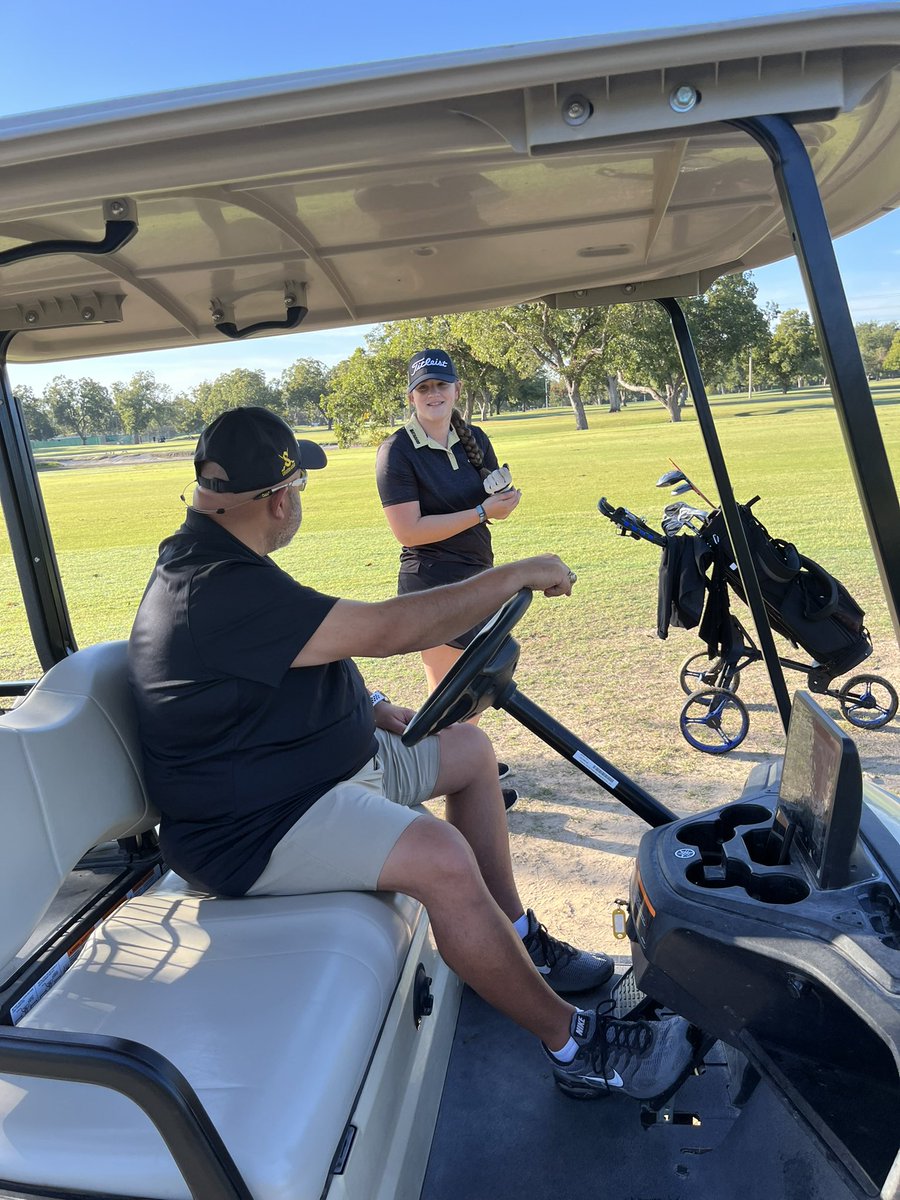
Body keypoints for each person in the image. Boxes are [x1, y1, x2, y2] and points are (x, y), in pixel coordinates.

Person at [128, 405, 699, 1101]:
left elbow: (289, 656)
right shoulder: (213, 587)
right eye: (298, 487)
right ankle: (578, 1046)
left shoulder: (213, 559)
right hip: (255, 827)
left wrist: (365, 708)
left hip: (312, 770)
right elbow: (386, 628)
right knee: (440, 857)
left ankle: (513, 936)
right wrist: (513, 574)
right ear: (279, 499)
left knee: (469, 751)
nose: (298, 500)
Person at [375, 350, 520, 795]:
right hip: (430, 580)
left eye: (441, 385)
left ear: (457, 390)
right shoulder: (397, 450)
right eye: (424, 388)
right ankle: (454, 769)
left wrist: (499, 505)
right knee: (464, 686)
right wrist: (480, 511)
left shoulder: (474, 436)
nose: (433, 394)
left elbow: (494, 509)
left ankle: (456, 763)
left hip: (478, 575)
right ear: (412, 397)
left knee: (461, 689)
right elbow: (408, 531)